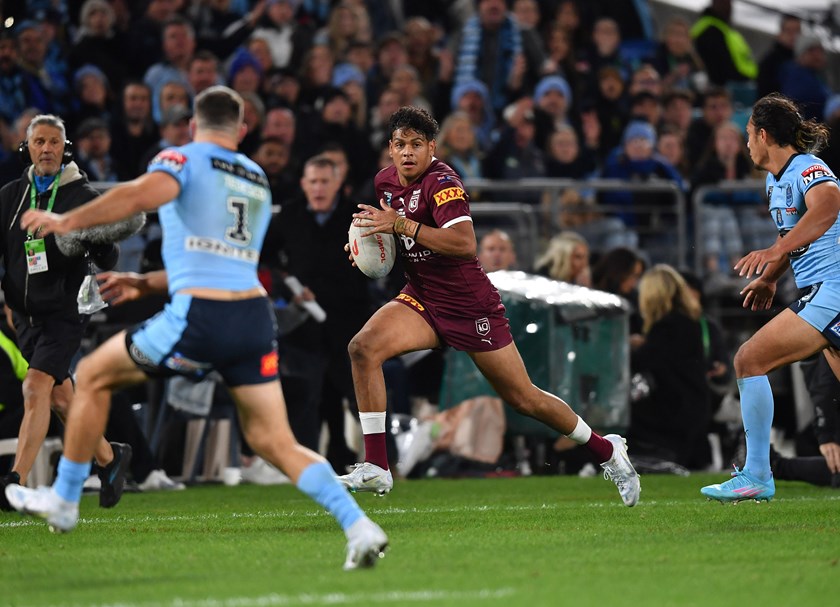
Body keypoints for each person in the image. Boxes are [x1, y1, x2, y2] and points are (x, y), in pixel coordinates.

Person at [5, 86, 387, 571]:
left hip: (201, 317)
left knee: (95, 375)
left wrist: (66, 220)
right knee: (276, 441)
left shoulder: (182, 160)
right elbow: (223, 259)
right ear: (242, 131)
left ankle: (62, 498)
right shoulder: (255, 177)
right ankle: (359, 526)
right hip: (252, 319)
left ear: (192, 126)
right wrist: (145, 282)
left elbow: (140, 194)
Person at [337, 106, 640, 507]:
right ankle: (377, 465)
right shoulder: (384, 183)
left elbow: (464, 244)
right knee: (362, 348)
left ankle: (607, 450)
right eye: (399, 145)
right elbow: (396, 240)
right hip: (422, 297)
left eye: (415, 145)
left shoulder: (444, 183)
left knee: (524, 398)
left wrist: (400, 226)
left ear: (431, 147)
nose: (407, 152)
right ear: (389, 150)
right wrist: (366, 250)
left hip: (469, 304)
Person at [700, 94, 840, 503]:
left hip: (832, 291)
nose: (746, 145)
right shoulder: (774, 180)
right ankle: (758, 473)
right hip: (821, 292)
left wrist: (776, 254)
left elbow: (829, 206)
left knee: (749, 359)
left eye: (748, 135)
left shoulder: (808, 167)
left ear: (763, 134)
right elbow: (791, 234)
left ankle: (758, 473)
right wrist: (771, 278)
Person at [0, 114, 128, 511]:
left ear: (65, 147)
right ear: (28, 147)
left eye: (55, 142)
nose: (47, 149)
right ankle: (109, 459)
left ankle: (14, 481)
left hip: (65, 311)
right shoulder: (9, 196)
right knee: (60, 398)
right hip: (22, 314)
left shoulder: (82, 196)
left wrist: (99, 242)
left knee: (36, 385)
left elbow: (110, 252)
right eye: (39, 141)